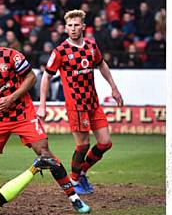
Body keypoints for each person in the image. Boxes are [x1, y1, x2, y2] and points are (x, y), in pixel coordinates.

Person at [0, 26, 90, 213]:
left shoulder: (11, 56)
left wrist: (12, 98)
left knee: (45, 153)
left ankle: (74, 198)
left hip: (24, 113)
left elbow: (31, 78)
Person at [37, 10, 123, 195]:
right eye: (70, 25)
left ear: (83, 26)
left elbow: (102, 65)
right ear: (65, 28)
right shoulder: (60, 51)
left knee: (105, 143)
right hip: (76, 106)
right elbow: (46, 76)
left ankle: (80, 172)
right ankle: (75, 180)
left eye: (76, 25)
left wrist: (114, 88)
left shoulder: (91, 46)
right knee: (83, 145)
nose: (73, 28)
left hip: (93, 103)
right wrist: (42, 104)